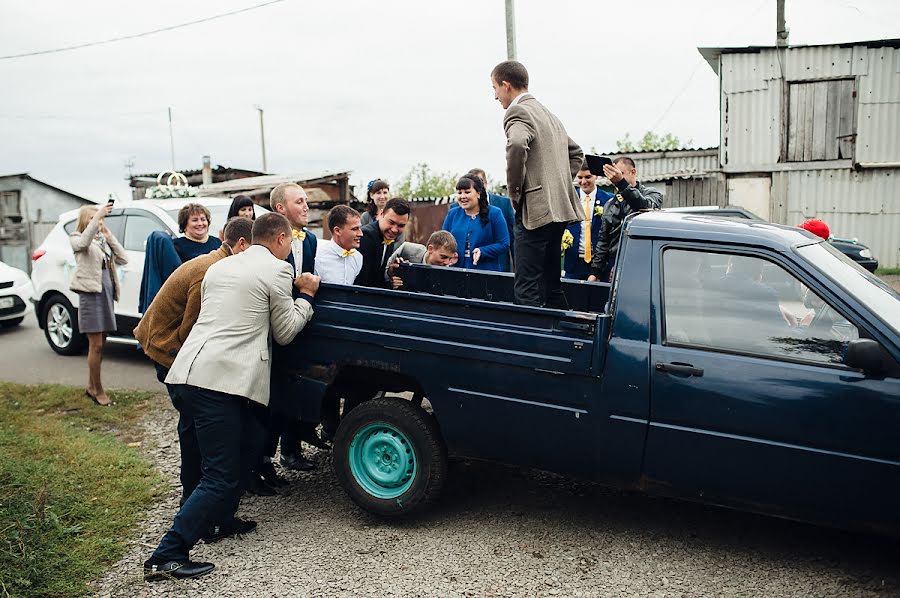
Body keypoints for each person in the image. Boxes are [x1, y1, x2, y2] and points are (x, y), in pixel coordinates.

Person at [144, 213, 320, 581]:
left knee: (247, 440)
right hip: (219, 383)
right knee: (220, 474)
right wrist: (305, 296)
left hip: (187, 373)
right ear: (282, 240)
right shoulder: (278, 269)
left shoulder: (220, 266)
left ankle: (218, 520)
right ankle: (168, 554)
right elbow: (285, 331)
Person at [134, 217, 253, 511]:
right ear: (241, 245)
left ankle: (193, 494)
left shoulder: (218, 261)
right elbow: (192, 331)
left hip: (172, 346)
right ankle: (196, 498)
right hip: (166, 349)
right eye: (255, 251)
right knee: (195, 425)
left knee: (192, 424)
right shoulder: (209, 271)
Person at [491, 60, 584, 308]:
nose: (495, 97)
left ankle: (532, 343)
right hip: (558, 212)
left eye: (495, 89)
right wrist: (557, 185)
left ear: (506, 85)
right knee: (552, 284)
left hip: (535, 212)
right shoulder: (549, 115)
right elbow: (577, 154)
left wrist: (516, 192)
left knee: (526, 287)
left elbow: (518, 144)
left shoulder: (517, 112)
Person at [261, 183, 320, 483]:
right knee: (270, 397)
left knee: (295, 388)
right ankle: (261, 461)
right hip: (269, 327)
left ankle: (291, 449)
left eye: (307, 201)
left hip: (298, 321)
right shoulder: (269, 241)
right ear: (281, 208)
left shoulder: (309, 240)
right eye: (300, 202)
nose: (307, 207)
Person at [69, 204, 128, 406]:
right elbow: (83, 243)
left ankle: (90, 386)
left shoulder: (101, 240)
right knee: (96, 345)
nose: (99, 221)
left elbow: (123, 258)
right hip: (91, 295)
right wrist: (97, 221)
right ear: (86, 220)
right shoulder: (77, 237)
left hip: (106, 294)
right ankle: (98, 391)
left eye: (101, 217)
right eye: (94, 217)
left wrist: (109, 235)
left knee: (101, 344)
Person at [587, 157, 663, 283]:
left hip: (641, 263)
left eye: (620, 173)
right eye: (613, 174)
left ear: (633, 172)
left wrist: (621, 183)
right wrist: (595, 272)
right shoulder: (610, 204)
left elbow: (644, 207)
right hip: (614, 264)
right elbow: (603, 241)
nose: (615, 178)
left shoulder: (652, 194)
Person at [442, 175, 510, 271]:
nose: (462, 196)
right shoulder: (452, 214)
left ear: (478, 193)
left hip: (486, 272)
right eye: (459, 192)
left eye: (467, 192)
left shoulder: (495, 213)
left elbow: (504, 244)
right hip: (457, 270)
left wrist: (482, 251)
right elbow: (443, 242)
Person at [564, 163, 614, 280]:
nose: (583, 181)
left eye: (588, 177)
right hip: (574, 262)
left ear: (596, 176)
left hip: (600, 263)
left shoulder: (608, 199)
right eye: (580, 177)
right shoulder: (569, 199)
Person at [355, 198, 410, 287]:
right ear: (381, 214)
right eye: (391, 222)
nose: (394, 230)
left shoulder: (389, 238)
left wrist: (391, 276)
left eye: (401, 225)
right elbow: (363, 281)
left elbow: (377, 277)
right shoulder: (366, 237)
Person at [385, 230, 458, 289]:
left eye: (450, 258)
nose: (447, 262)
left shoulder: (446, 272)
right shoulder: (407, 250)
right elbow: (384, 269)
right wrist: (391, 277)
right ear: (430, 249)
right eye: (443, 257)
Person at [316, 205, 364, 285]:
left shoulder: (358, 257)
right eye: (355, 229)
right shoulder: (318, 257)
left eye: (360, 228)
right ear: (337, 231)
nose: (361, 234)